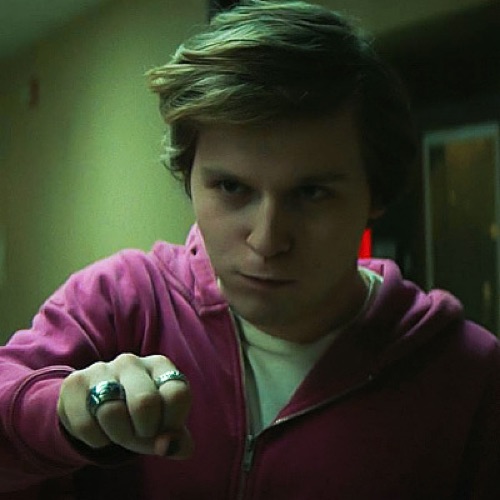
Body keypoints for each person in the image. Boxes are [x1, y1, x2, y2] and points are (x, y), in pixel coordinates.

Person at [0, 1, 499, 498]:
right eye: (232, 188)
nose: (267, 240)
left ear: (376, 195)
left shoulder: (465, 374)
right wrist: (62, 415)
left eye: (312, 193)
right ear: (189, 178)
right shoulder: (123, 300)